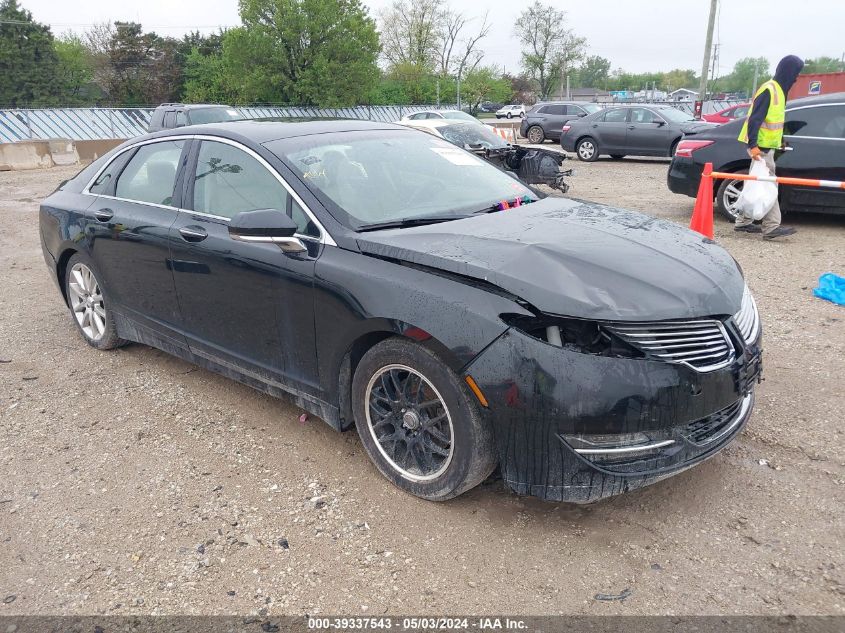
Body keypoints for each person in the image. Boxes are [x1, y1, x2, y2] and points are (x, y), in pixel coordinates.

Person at [735, 54, 804, 240]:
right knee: (769, 184)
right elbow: (755, 119)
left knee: (754, 182)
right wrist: (754, 146)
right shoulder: (770, 89)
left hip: (766, 145)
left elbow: (773, 121)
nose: (797, 78)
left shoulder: (779, 91)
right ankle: (771, 227)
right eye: (796, 73)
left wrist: (780, 140)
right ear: (788, 72)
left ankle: (743, 222)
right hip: (760, 147)